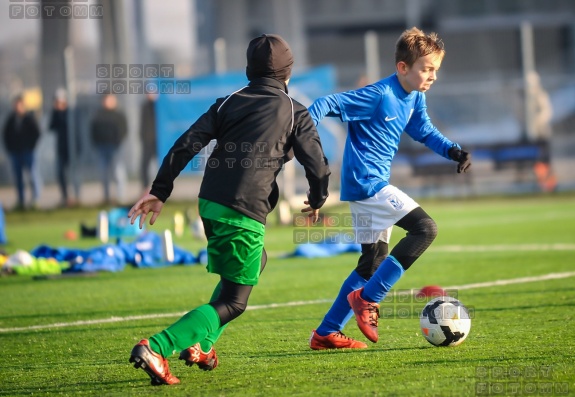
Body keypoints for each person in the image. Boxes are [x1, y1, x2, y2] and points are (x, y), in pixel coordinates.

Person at [127, 34, 330, 386]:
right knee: (236, 302)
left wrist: (160, 191)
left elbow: (186, 143)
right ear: (288, 72)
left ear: (248, 70)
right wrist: (318, 198)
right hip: (243, 209)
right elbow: (318, 166)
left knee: (254, 263)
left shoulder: (227, 103)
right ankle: (158, 346)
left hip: (210, 203)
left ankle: (202, 345)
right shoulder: (295, 111)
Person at [307, 27, 472, 349]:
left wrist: (452, 149)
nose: (433, 76)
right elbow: (325, 103)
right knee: (425, 229)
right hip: (368, 184)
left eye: (436, 69)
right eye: (427, 69)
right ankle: (369, 300)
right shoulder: (379, 95)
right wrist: (303, 139)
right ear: (402, 68)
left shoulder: (415, 96)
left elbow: (423, 130)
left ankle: (325, 332)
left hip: (368, 186)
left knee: (370, 264)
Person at [2, 95, 41, 210]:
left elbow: (37, 133)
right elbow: (5, 135)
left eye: (18, 105)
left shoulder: (29, 118)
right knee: (18, 178)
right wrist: (10, 149)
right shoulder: (11, 119)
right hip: (15, 153)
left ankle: (35, 199)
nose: (16, 107)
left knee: (32, 175)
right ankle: (21, 201)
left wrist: (31, 146)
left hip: (28, 152)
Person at [90, 94, 127, 205]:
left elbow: (124, 130)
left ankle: (120, 197)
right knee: (104, 173)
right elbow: (93, 131)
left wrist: (118, 142)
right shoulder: (98, 115)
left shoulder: (119, 115)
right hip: (102, 147)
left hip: (115, 148)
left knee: (118, 172)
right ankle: (106, 197)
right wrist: (97, 143)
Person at [49, 88, 75, 207]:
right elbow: (51, 127)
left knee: (73, 173)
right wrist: (57, 112)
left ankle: (75, 195)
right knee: (60, 173)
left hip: (73, 149)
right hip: (61, 149)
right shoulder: (56, 114)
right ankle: (65, 196)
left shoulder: (71, 113)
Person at [139, 92, 158, 190]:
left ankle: (162, 187)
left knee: (162, 165)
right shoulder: (145, 106)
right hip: (147, 140)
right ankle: (145, 187)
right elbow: (142, 124)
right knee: (144, 165)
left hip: (159, 141)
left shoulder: (160, 106)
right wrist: (142, 137)